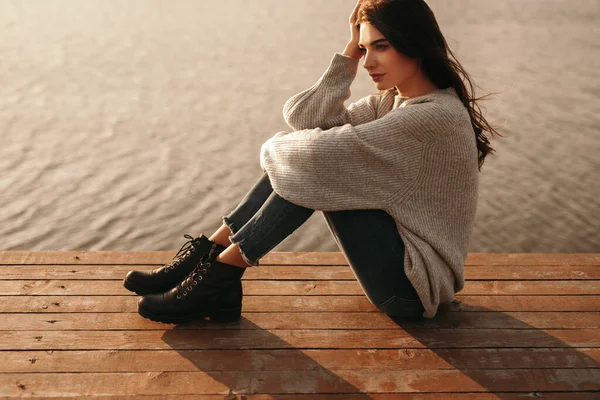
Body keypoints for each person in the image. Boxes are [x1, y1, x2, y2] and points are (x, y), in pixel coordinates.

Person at [123, 0, 502, 323]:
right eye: (364, 49)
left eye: (380, 47)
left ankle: (216, 277)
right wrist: (347, 55)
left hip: (412, 291)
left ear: (414, 43)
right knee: (312, 166)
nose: (368, 62)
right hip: (400, 274)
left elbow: (308, 156)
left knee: (314, 170)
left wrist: (275, 149)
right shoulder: (390, 103)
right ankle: (208, 264)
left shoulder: (430, 118)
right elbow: (305, 116)